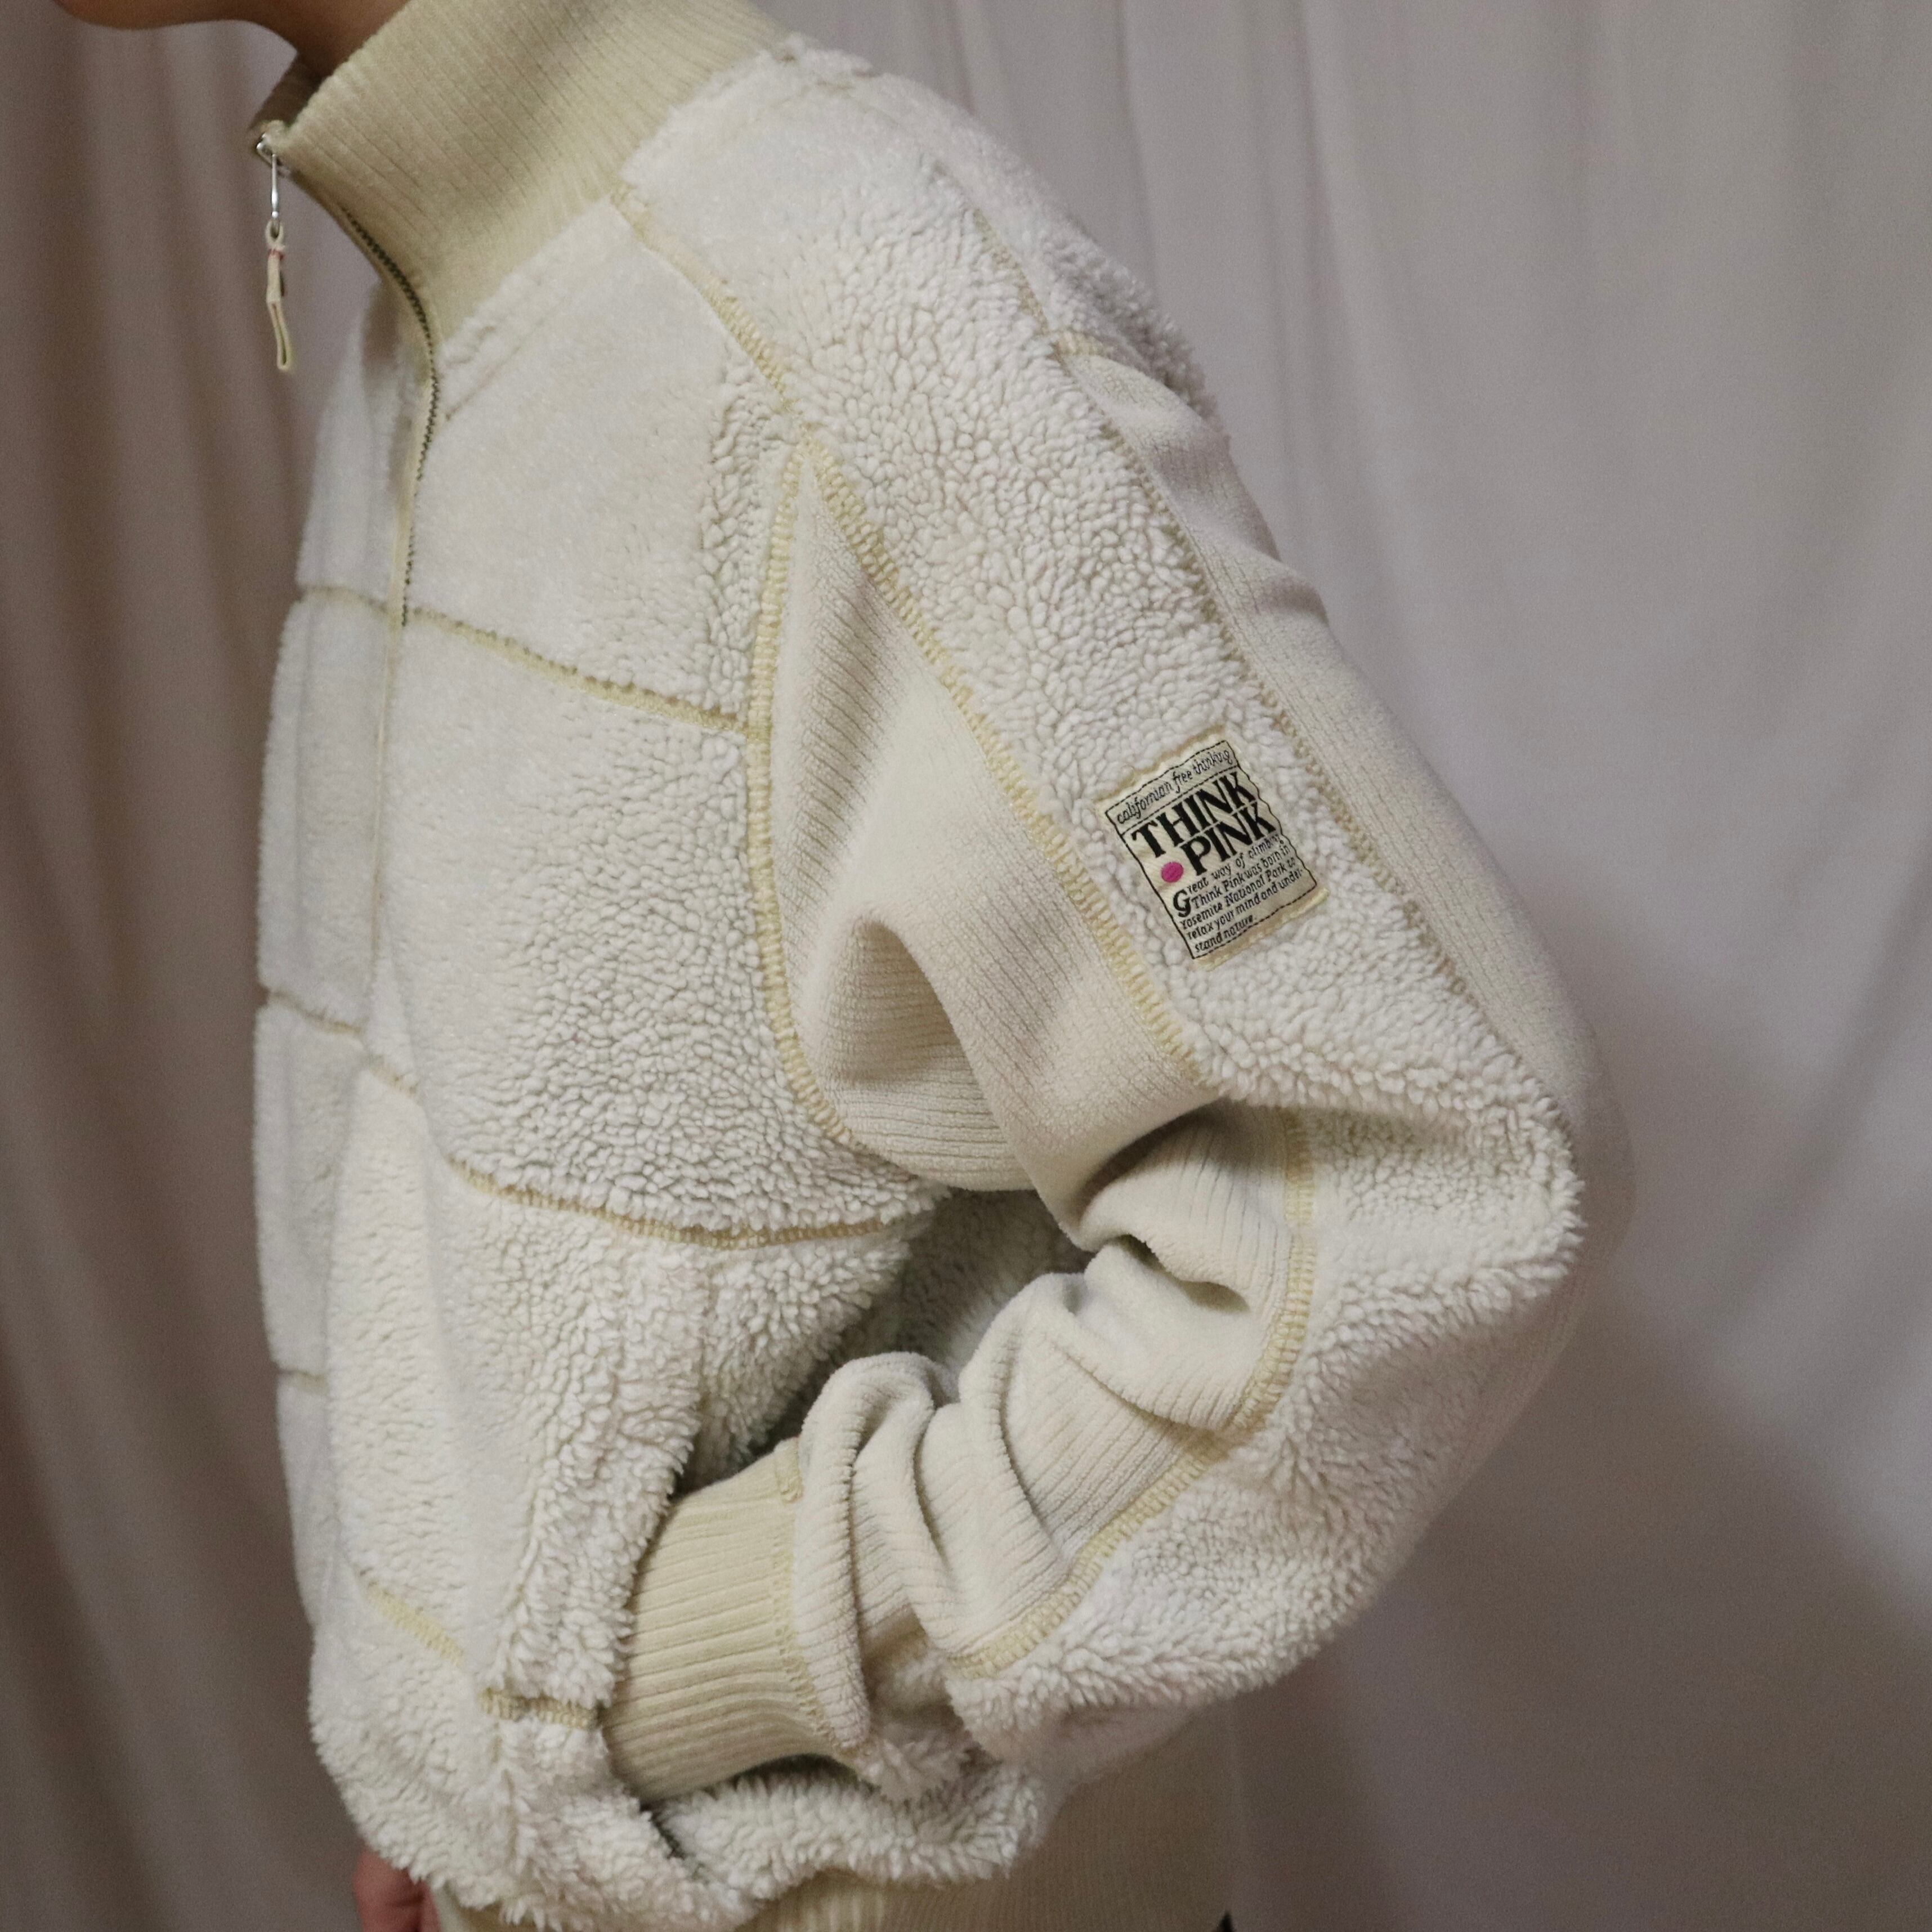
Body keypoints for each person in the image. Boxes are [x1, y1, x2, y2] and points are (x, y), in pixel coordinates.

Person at [55, 0, 1631, 1927]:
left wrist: (663, 1667)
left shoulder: (837, 307)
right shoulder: (465, 292)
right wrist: (459, 1756)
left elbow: (1424, 1187)